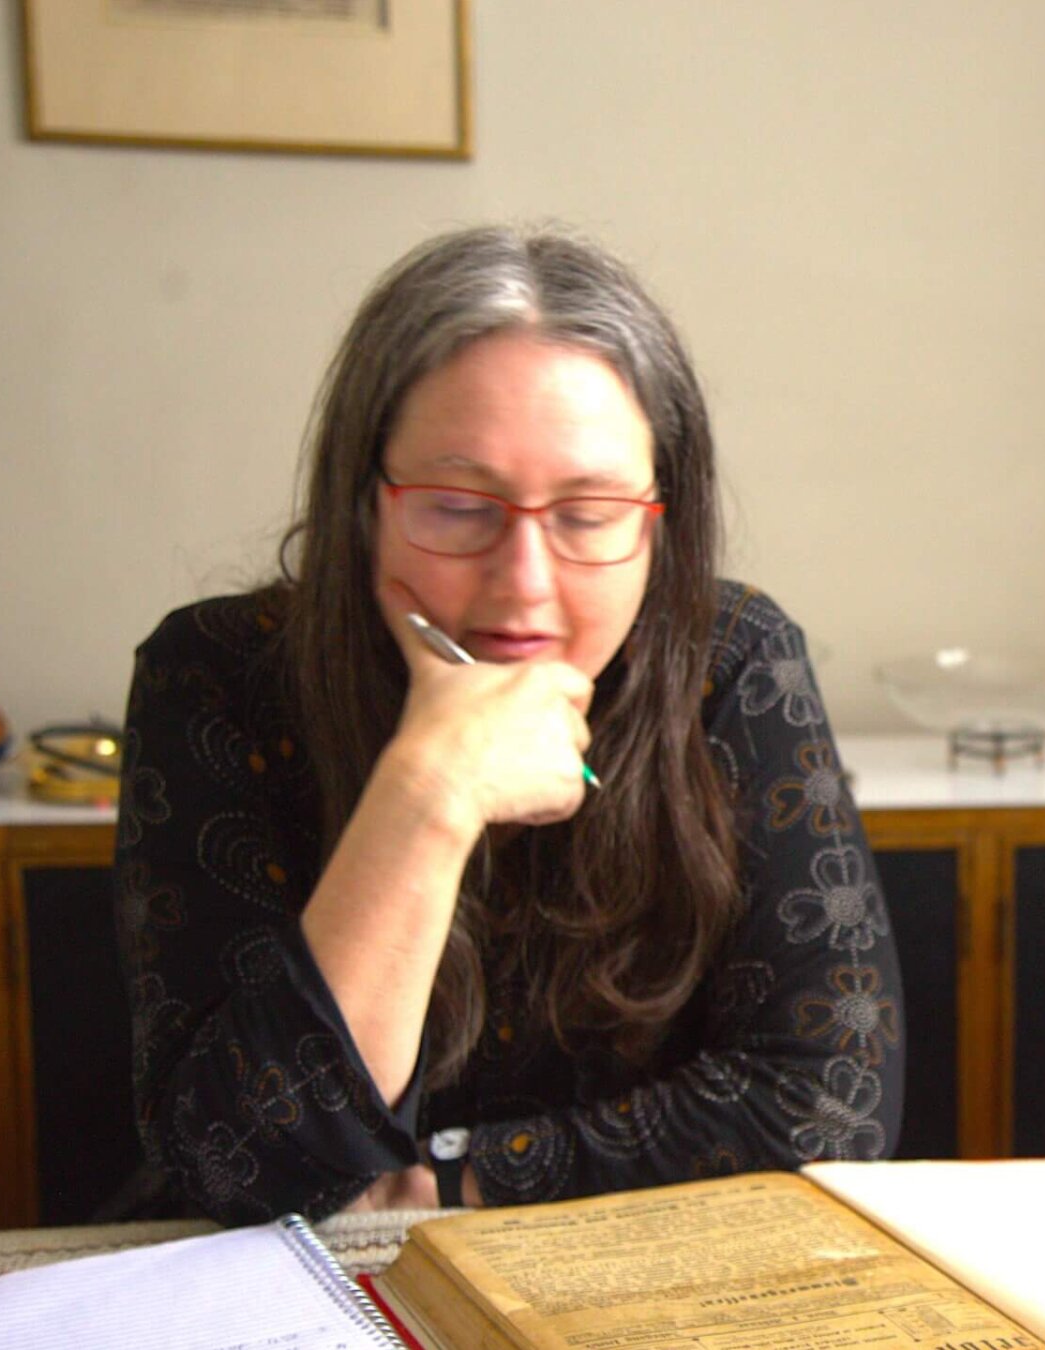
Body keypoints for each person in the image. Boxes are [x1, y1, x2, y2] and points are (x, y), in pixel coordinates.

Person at [116, 225, 901, 1224]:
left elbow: (830, 1109)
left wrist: (439, 1181)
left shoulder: (733, 660)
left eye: (589, 513)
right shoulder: (218, 674)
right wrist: (428, 793)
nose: (524, 587)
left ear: (663, 517)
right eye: (456, 505)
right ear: (365, 504)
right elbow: (241, 1171)